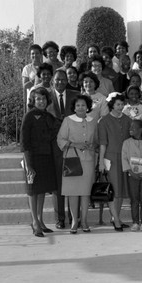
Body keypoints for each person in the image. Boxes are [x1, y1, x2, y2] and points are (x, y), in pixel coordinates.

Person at [21, 87, 59, 237]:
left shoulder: (48, 116)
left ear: (47, 101)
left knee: (42, 189)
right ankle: (35, 222)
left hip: (46, 156)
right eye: (38, 99)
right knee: (32, 191)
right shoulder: (29, 116)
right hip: (32, 157)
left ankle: (41, 221)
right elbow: (24, 141)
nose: (41, 101)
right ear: (33, 100)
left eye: (43, 99)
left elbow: (57, 127)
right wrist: (28, 163)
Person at [57, 95, 97, 234]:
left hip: (88, 160)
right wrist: (75, 144)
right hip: (72, 160)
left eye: (83, 105)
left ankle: (84, 220)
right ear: (74, 107)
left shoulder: (93, 121)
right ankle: (74, 220)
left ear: (88, 107)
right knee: (73, 192)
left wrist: (93, 145)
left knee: (86, 192)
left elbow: (97, 140)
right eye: (78, 105)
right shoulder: (68, 120)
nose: (81, 107)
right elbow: (60, 139)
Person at [46, 70, 80, 229]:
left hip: (73, 145)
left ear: (67, 81)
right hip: (54, 147)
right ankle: (60, 219)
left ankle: (75, 217)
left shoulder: (76, 95)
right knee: (58, 184)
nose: (60, 82)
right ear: (52, 81)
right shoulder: (45, 96)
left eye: (63, 79)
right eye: (57, 80)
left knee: (73, 181)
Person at [98, 92, 133, 231]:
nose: (120, 107)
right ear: (112, 105)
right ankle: (116, 220)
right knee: (113, 190)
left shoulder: (128, 120)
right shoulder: (104, 121)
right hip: (110, 158)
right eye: (117, 104)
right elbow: (102, 143)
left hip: (125, 158)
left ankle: (115, 217)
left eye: (122, 104)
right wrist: (101, 161)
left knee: (121, 189)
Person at [122, 119, 142, 231]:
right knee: (134, 199)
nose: (130, 129)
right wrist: (131, 172)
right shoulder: (126, 143)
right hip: (132, 175)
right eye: (130, 127)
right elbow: (124, 159)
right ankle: (135, 222)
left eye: (133, 127)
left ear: (141, 130)